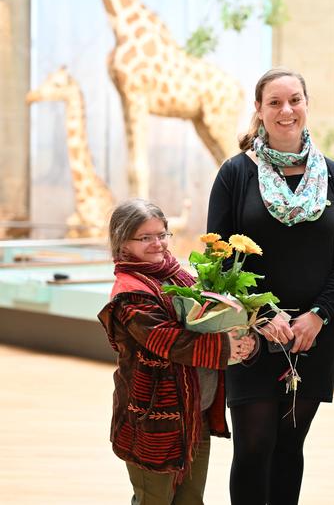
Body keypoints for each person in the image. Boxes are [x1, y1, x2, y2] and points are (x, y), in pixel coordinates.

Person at [207, 67, 334, 505]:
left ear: (307, 106)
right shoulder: (236, 174)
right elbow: (217, 257)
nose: (286, 110)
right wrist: (259, 312)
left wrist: (320, 314)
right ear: (258, 110)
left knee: (290, 444)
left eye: (294, 100)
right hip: (251, 330)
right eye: (274, 102)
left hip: (316, 332)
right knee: (254, 445)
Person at [98, 198, 256, 504]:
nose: (157, 244)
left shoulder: (176, 275)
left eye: (162, 234)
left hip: (194, 413)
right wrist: (226, 347)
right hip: (155, 418)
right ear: (122, 242)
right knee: (154, 499)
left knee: (191, 499)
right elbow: (166, 341)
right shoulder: (130, 292)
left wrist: (244, 332)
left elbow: (207, 317)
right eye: (145, 237)